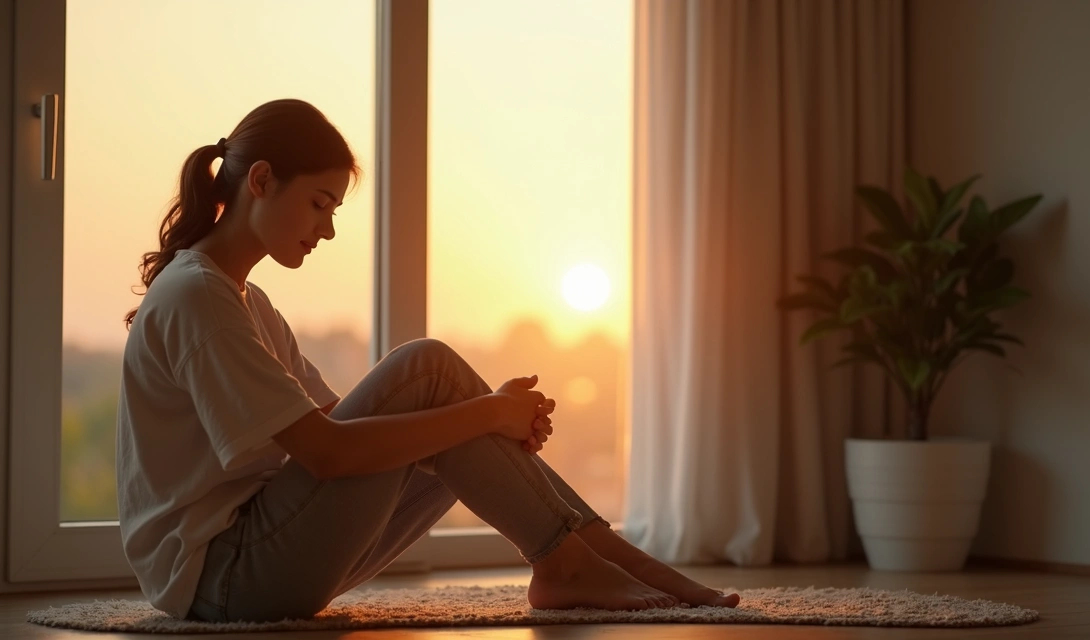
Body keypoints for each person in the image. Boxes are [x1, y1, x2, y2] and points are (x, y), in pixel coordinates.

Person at [116, 98, 741, 623]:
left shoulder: (241, 298)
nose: (327, 229)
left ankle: (603, 560)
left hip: (259, 560)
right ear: (260, 180)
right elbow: (328, 453)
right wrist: (487, 414)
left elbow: (346, 424)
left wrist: (480, 415)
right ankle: (572, 563)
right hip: (224, 579)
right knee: (428, 369)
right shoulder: (199, 295)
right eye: (319, 203)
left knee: (441, 392)